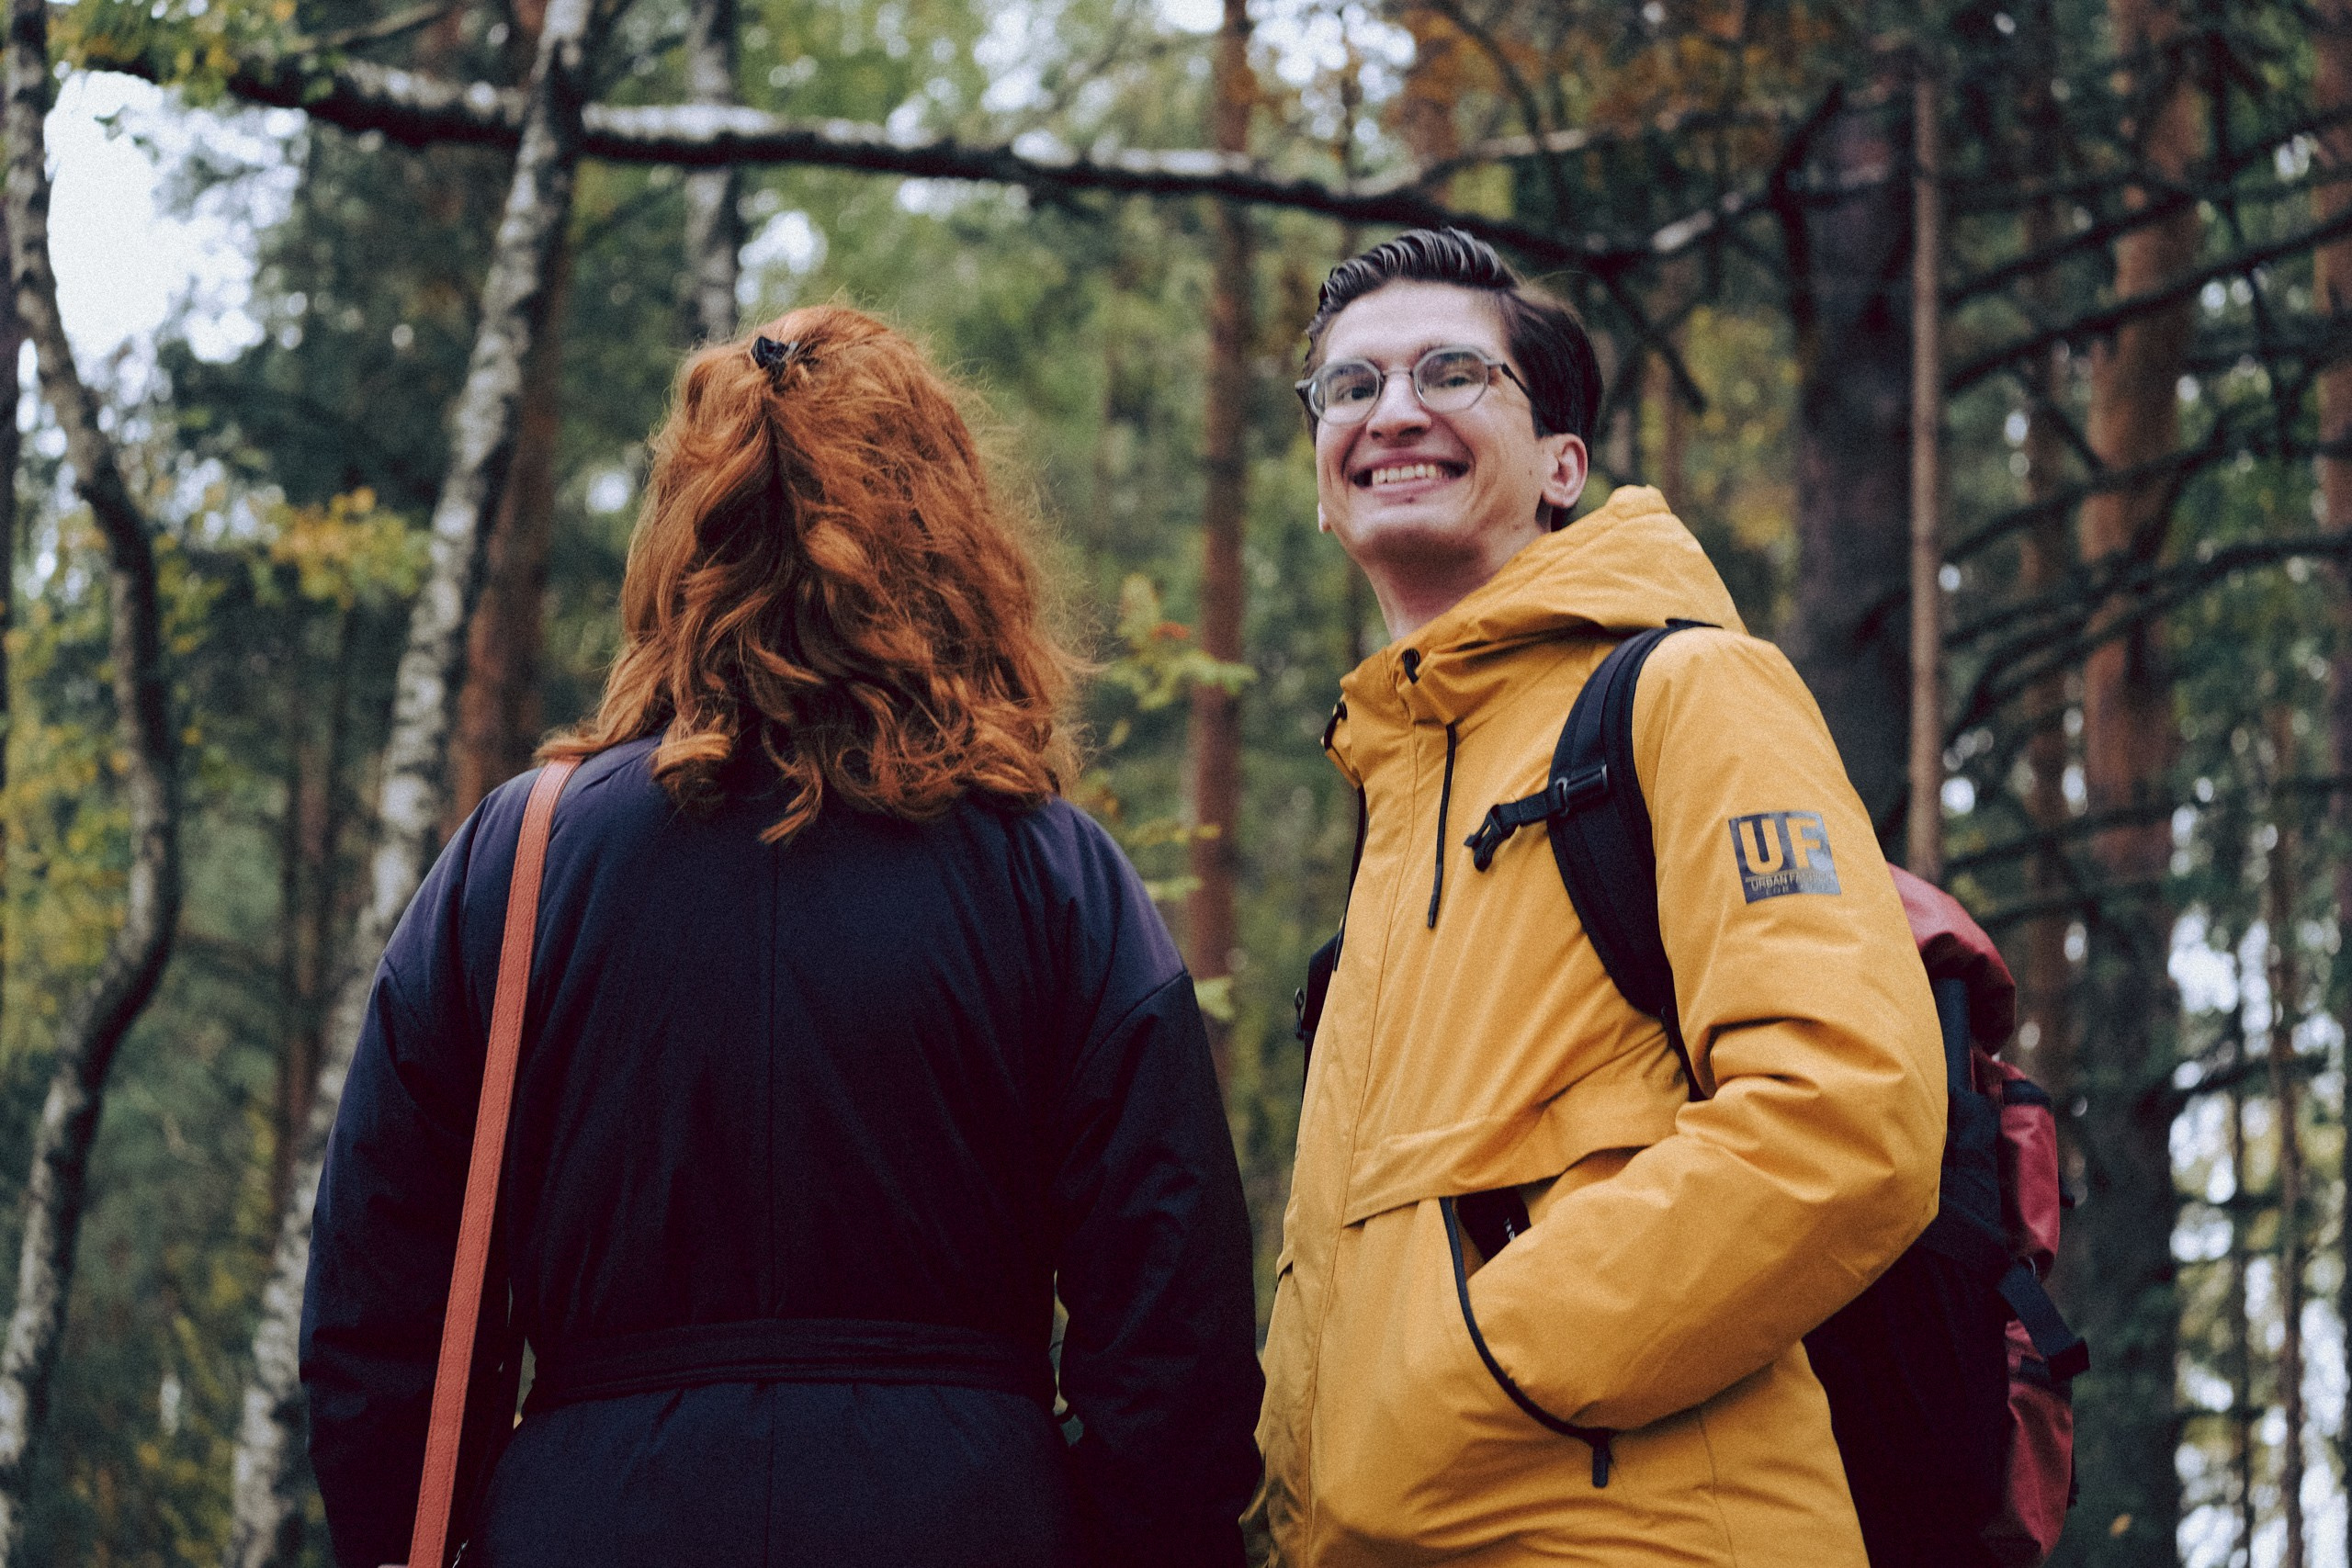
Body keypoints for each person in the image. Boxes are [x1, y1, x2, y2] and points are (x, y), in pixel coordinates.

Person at [301, 305, 1264, 1568]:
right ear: (949, 537)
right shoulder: (1055, 877)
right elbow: (1174, 1331)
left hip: (591, 1523)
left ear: (679, 542)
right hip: (964, 1523)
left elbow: (376, 1315)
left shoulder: (515, 861)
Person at [1248, 229, 1946, 1564]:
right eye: (1349, 387)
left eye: (1452, 373)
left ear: (1563, 466)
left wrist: (1479, 1366)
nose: (1393, 412)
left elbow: (1848, 1110)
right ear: (1325, 483)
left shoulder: (1691, 690)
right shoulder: (1397, 800)